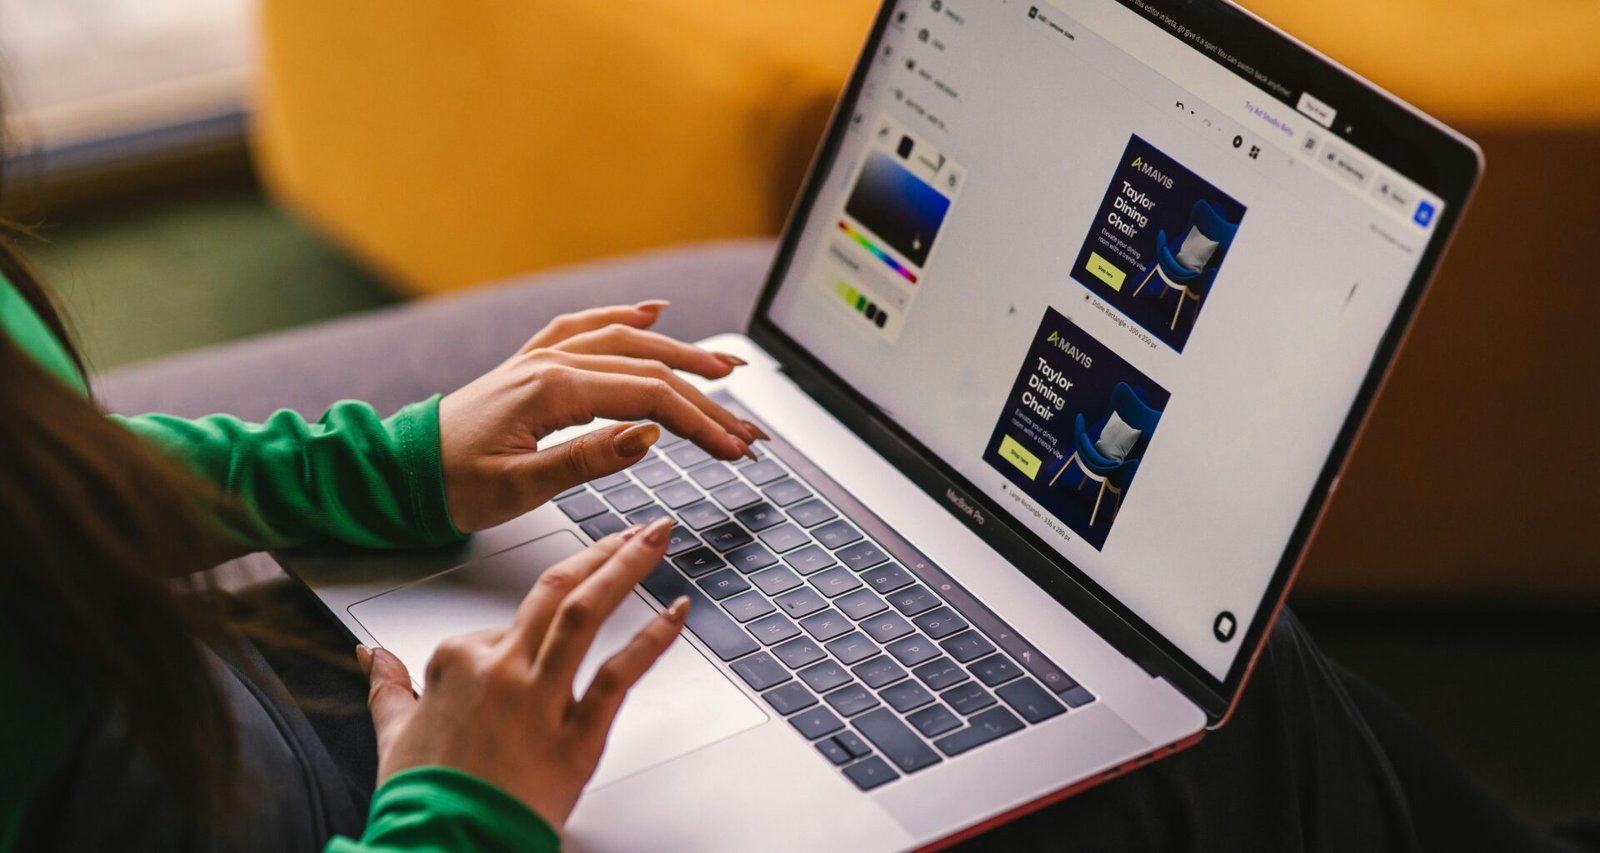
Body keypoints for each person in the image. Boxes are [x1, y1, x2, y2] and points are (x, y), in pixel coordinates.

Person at [2, 154, 1592, 853]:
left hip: (228, 726)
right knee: (1231, 718)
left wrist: (379, 463)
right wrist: (464, 810)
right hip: (376, 814)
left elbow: (39, 465)